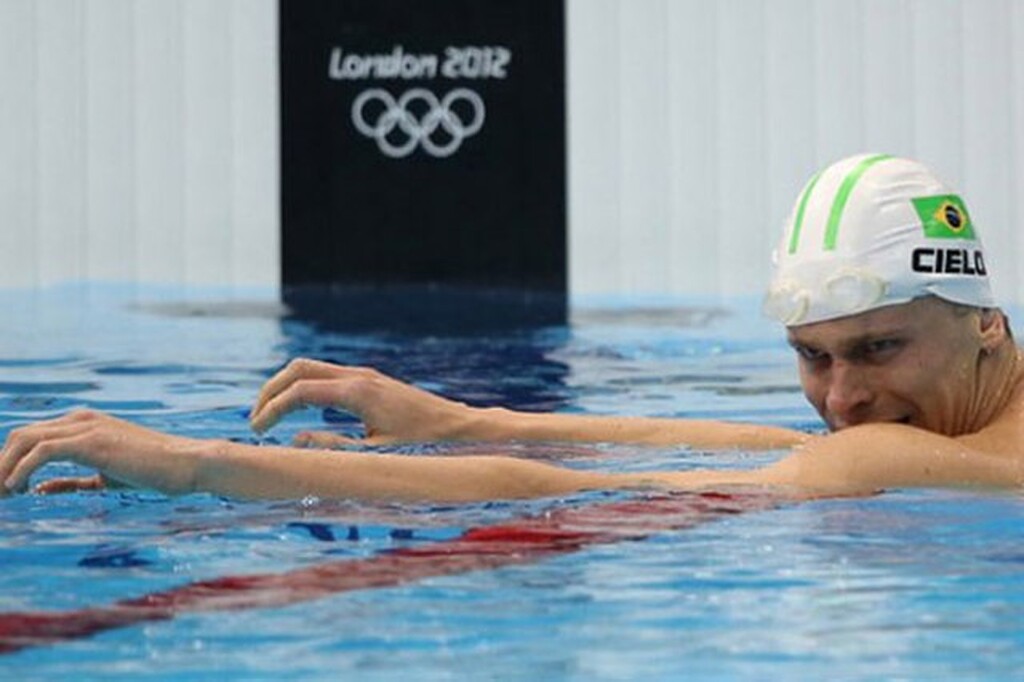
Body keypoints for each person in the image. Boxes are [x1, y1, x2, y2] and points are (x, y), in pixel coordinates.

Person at [2, 153, 1022, 501]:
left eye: (876, 350)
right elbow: (780, 448)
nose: (838, 399)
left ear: (983, 318)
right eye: (809, 356)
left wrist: (200, 462)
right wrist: (460, 419)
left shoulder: (893, 455)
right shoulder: (960, 436)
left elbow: (566, 494)